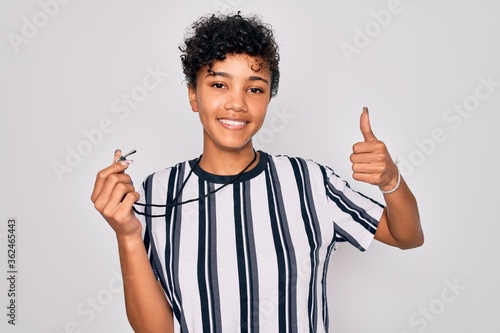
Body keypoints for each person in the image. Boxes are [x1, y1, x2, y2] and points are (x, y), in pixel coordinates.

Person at [91, 12, 423, 333]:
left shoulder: (309, 182)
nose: (237, 104)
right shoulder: (158, 193)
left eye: (254, 89)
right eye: (219, 84)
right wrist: (128, 235)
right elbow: (156, 331)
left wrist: (390, 181)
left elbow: (407, 236)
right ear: (194, 95)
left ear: (268, 98)